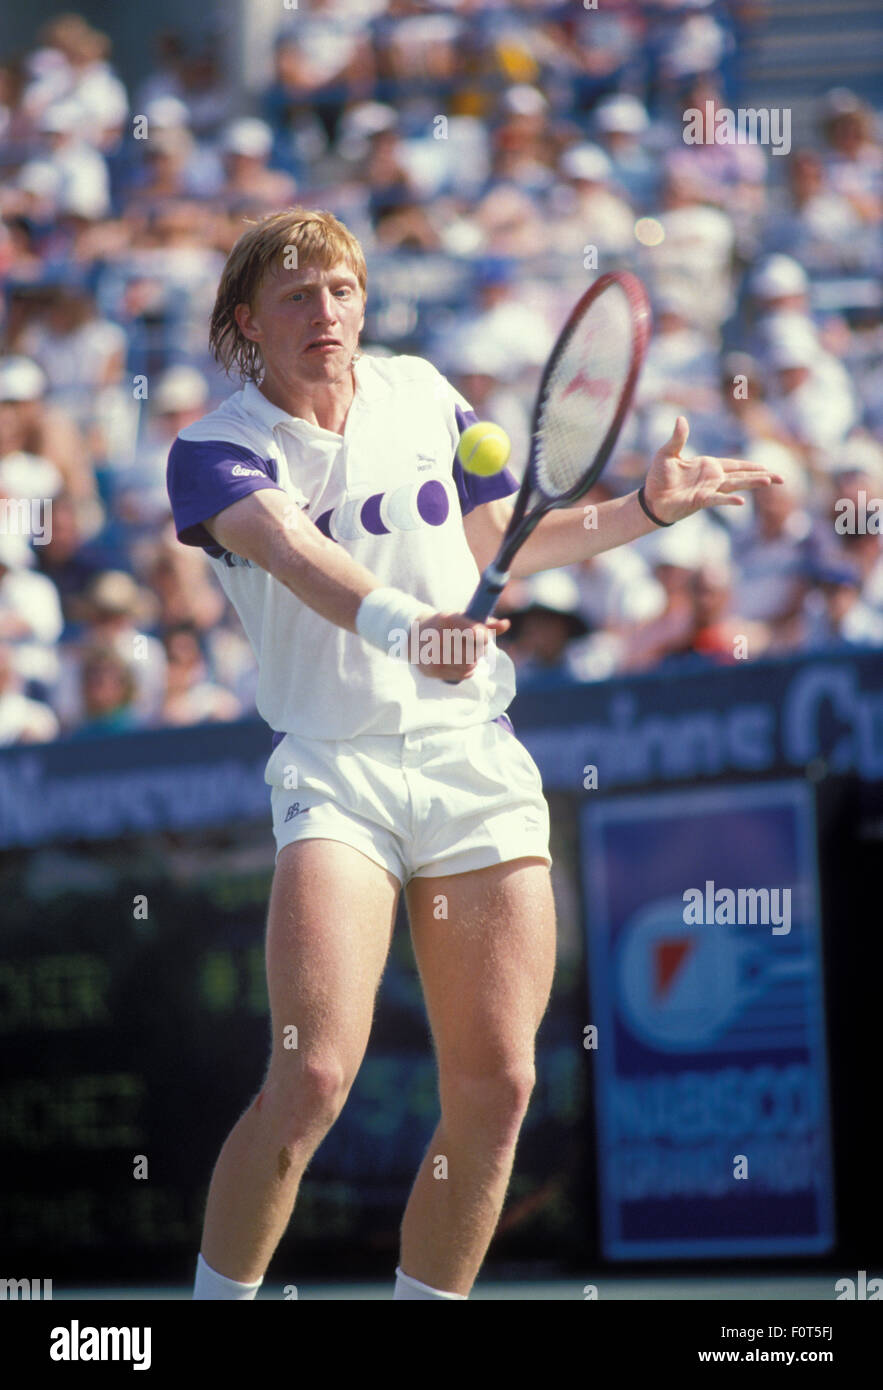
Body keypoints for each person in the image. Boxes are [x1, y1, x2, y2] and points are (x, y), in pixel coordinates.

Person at [165, 206, 782, 1301]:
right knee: (311, 1073)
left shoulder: (419, 390)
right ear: (248, 321)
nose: (327, 312)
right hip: (336, 769)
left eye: (343, 289)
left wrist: (640, 508)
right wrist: (413, 629)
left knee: (495, 1086)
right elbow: (295, 552)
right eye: (299, 294)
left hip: (472, 759)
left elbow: (498, 546)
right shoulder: (213, 448)